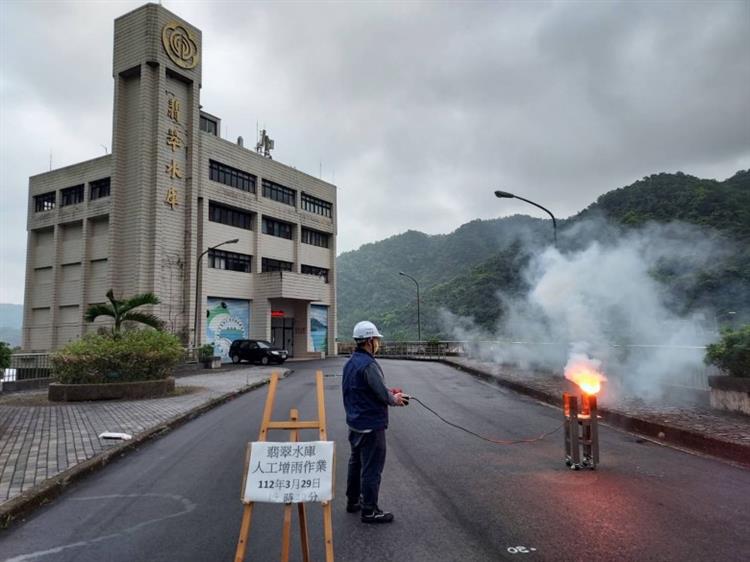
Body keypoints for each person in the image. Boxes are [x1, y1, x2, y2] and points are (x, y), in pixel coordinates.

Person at [342, 320, 407, 524]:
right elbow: (380, 392)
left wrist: (389, 393)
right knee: (371, 468)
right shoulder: (369, 364)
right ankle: (369, 510)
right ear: (370, 341)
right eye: (377, 339)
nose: (378, 343)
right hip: (371, 425)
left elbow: (366, 389)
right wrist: (395, 398)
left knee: (356, 463)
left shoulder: (351, 362)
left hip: (355, 422)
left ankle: (353, 501)